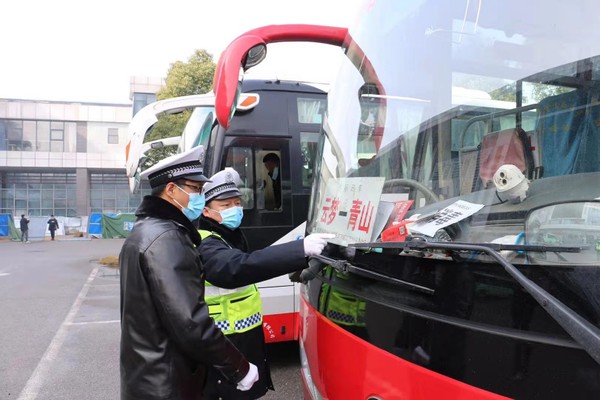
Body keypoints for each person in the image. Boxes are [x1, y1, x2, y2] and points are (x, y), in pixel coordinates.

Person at [119, 147, 258, 400]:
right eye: (195, 189)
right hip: (169, 382)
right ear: (171, 190)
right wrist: (240, 368)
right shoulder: (168, 238)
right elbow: (190, 323)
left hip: (148, 376)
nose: (200, 197)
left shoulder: (144, 231)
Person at [197, 167, 333, 399]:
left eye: (237, 203)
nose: (235, 209)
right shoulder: (206, 243)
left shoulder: (227, 235)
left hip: (238, 342)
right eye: (226, 205)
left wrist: (295, 261)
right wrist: (298, 249)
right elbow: (236, 268)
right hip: (223, 349)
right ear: (207, 212)